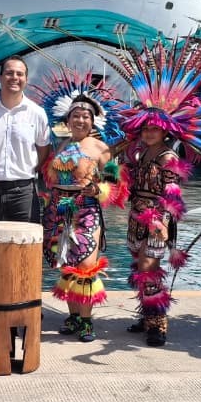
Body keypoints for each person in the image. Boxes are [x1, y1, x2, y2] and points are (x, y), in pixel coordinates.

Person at [112, 40, 201, 347]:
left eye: (154, 129)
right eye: (145, 128)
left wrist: (162, 221)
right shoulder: (139, 155)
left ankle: (158, 325)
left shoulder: (167, 157)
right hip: (137, 215)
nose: (149, 132)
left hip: (156, 220)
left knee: (149, 269)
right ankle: (146, 314)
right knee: (140, 266)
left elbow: (172, 195)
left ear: (165, 131)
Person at [34, 69, 125, 341]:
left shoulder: (101, 149)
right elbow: (48, 178)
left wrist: (97, 189)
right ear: (68, 119)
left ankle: (87, 321)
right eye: (76, 115)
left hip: (86, 210)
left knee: (85, 265)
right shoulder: (60, 146)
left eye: (85, 116)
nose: (80, 120)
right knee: (65, 265)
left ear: (92, 120)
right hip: (58, 210)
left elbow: (115, 185)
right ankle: (73, 317)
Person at [0, 55, 51, 223]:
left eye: (19, 74)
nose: (14, 78)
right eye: (9, 73)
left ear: (26, 79)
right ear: (0, 77)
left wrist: (25, 168)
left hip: (23, 193)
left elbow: (43, 150)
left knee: (24, 246)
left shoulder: (37, 113)